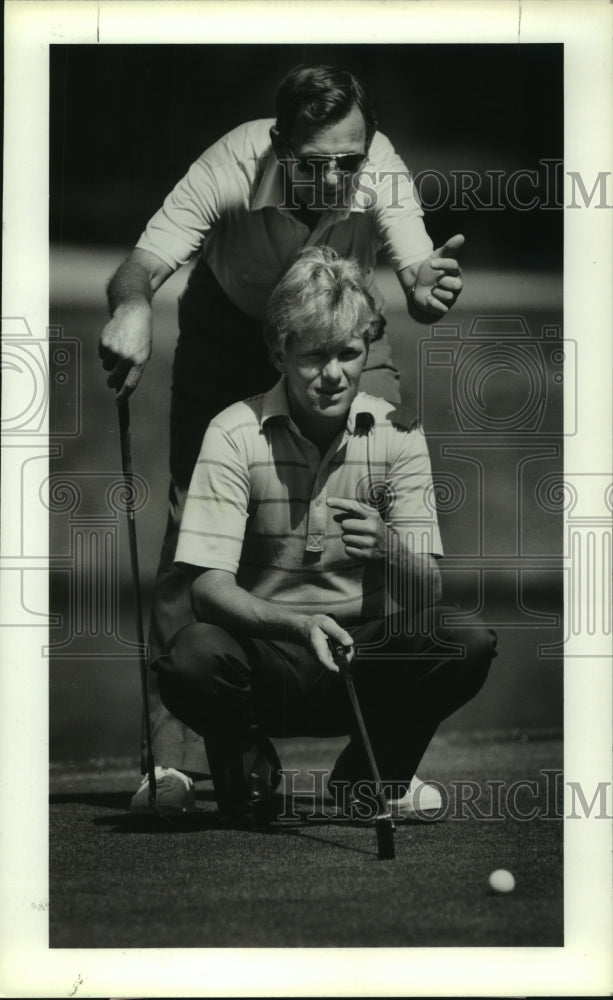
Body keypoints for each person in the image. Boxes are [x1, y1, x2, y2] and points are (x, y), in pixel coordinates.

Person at [99, 64, 465, 811]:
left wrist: (424, 289)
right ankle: (171, 761)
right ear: (279, 146)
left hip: (337, 329)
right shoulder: (229, 163)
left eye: (349, 163)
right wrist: (133, 309)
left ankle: (380, 758)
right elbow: (140, 266)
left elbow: (414, 265)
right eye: (314, 165)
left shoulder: (377, 166)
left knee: (386, 503)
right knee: (189, 527)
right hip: (228, 328)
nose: (336, 180)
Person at [152, 246, 496, 825]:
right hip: (264, 659)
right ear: (279, 351)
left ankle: (368, 778)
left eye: (348, 353)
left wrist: (390, 548)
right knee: (191, 656)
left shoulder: (400, 434)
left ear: (366, 351)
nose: (332, 374)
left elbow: (424, 594)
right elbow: (207, 591)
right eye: (313, 355)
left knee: (467, 640)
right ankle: (252, 774)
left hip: (363, 661)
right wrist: (301, 625)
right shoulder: (233, 434)